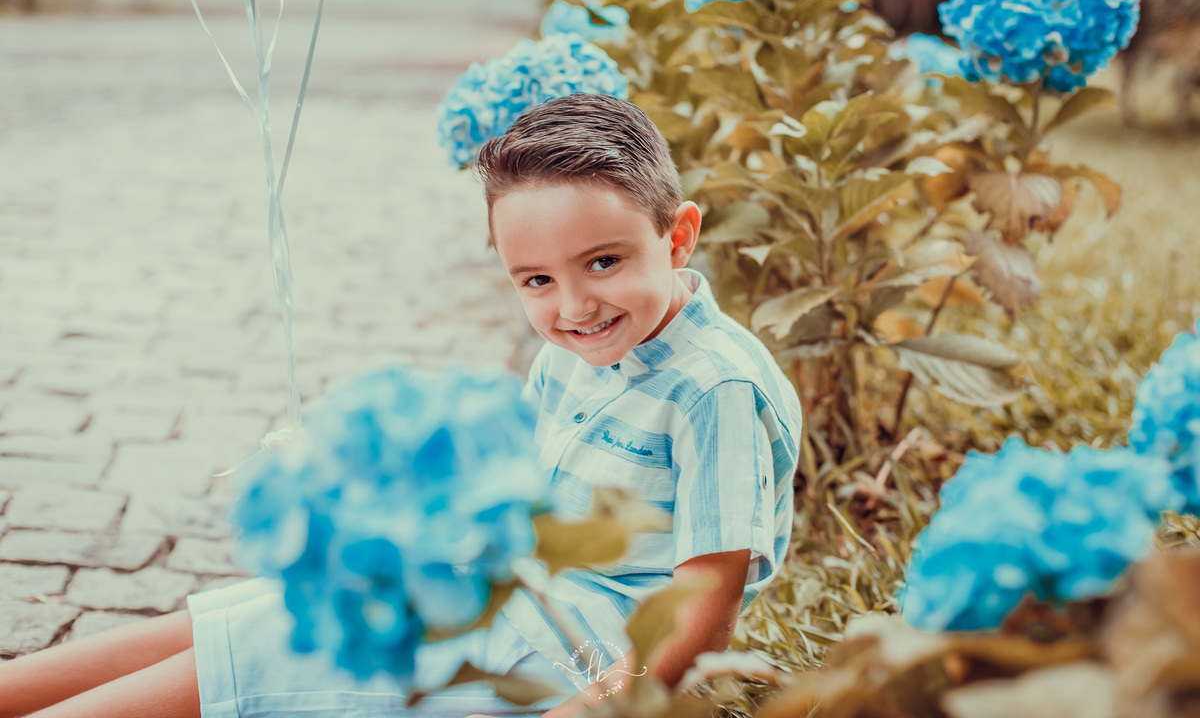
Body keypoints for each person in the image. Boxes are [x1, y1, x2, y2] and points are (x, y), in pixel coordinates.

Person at [0, 93, 802, 718]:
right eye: (537, 280)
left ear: (679, 236)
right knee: (279, 603)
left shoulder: (713, 389)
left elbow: (699, 623)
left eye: (602, 261)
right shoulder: (578, 353)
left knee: (272, 645)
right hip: (522, 591)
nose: (574, 305)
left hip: (580, 654)